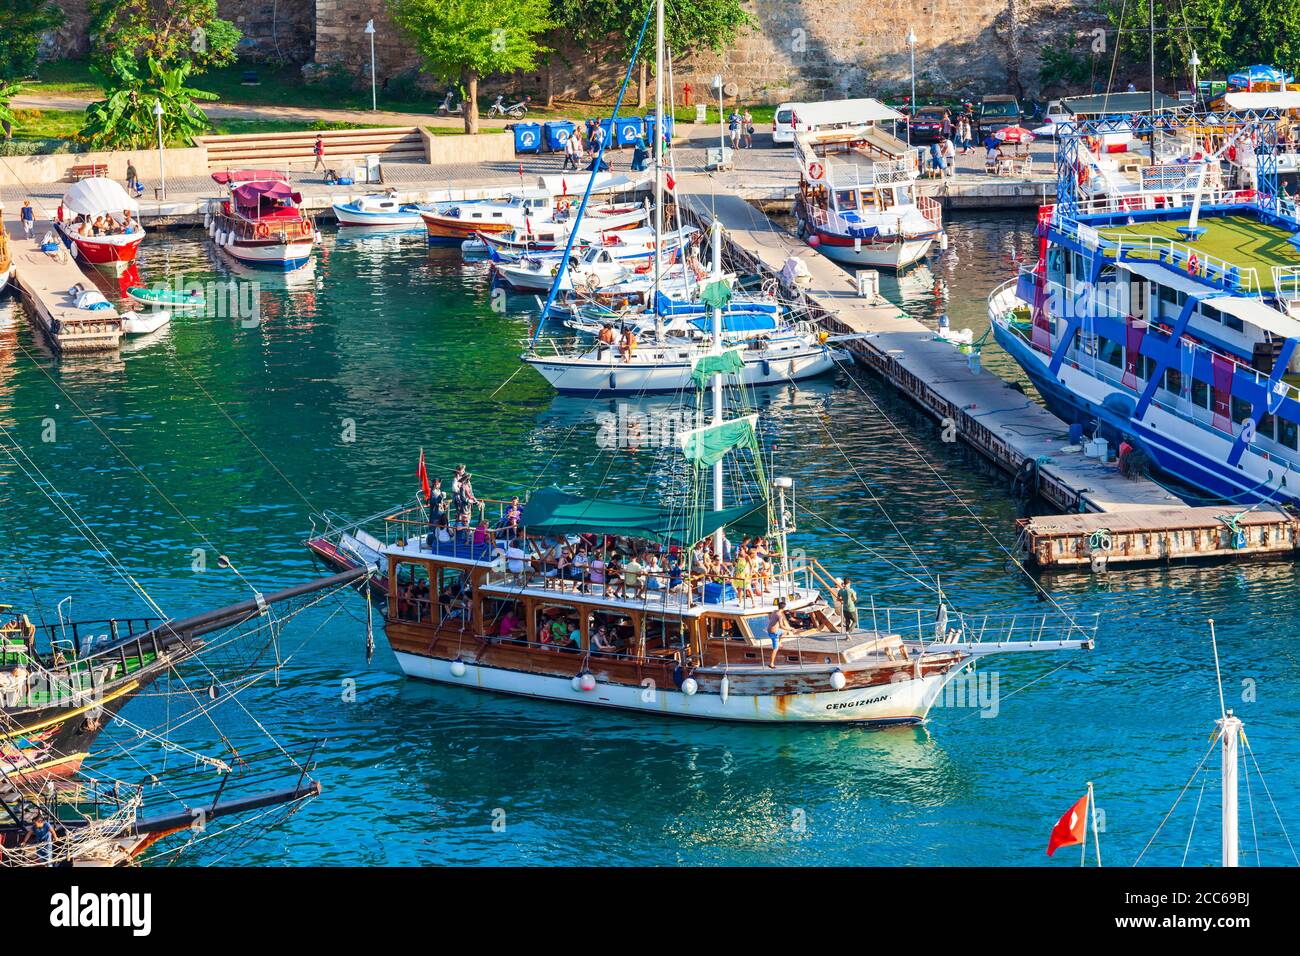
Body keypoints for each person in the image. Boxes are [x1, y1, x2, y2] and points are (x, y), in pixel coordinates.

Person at [766, 599, 789, 668]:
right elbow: (781, 626)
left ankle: (780, 643)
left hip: (769, 630)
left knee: (784, 632)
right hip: (774, 633)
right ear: (784, 608)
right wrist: (790, 629)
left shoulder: (774, 612)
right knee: (775, 649)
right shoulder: (780, 615)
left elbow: (770, 617)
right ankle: (771, 664)